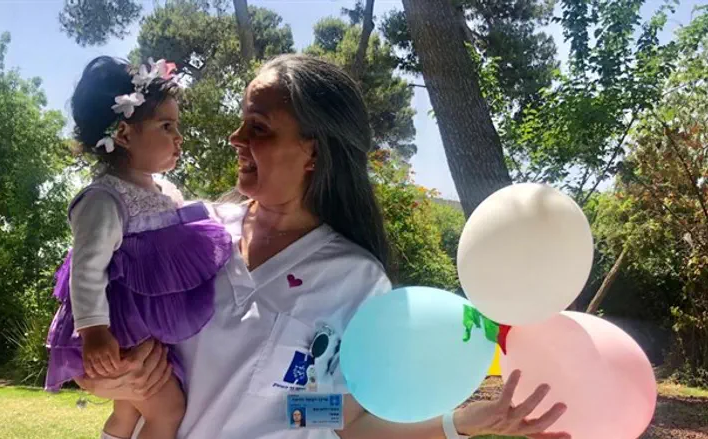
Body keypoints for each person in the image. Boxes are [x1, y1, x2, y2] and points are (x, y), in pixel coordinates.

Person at [75, 54, 570, 439]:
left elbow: (333, 417)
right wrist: (109, 380)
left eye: (260, 127)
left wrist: (461, 421)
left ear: (313, 150)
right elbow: (101, 340)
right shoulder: (184, 234)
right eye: (244, 121)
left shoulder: (355, 278)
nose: (235, 137)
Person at [45, 56, 231, 439]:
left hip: (142, 334)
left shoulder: (164, 192)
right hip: (116, 337)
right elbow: (86, 268)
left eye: (176, 125)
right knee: (168, 411)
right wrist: (94, 331)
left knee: (129, 412)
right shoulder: (104, 198)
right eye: (166, 126)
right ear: (125, 135)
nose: (178, 137)